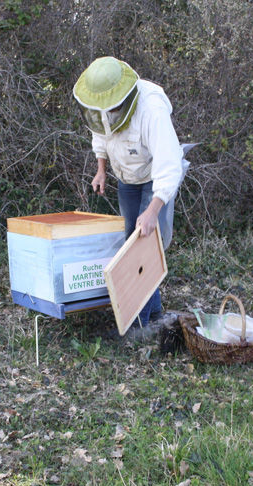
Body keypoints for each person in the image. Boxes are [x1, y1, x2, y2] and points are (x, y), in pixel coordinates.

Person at [73, 56, 192, 334]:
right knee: (131, 241)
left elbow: (169, 164)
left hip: (155, 179)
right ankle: (155, 314)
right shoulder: (102, 105)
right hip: (126, 176)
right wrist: (101, 169)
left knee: (145, 245)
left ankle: (139, 322)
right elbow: (100, 133)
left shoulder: (152, 109)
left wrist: (152, 210)